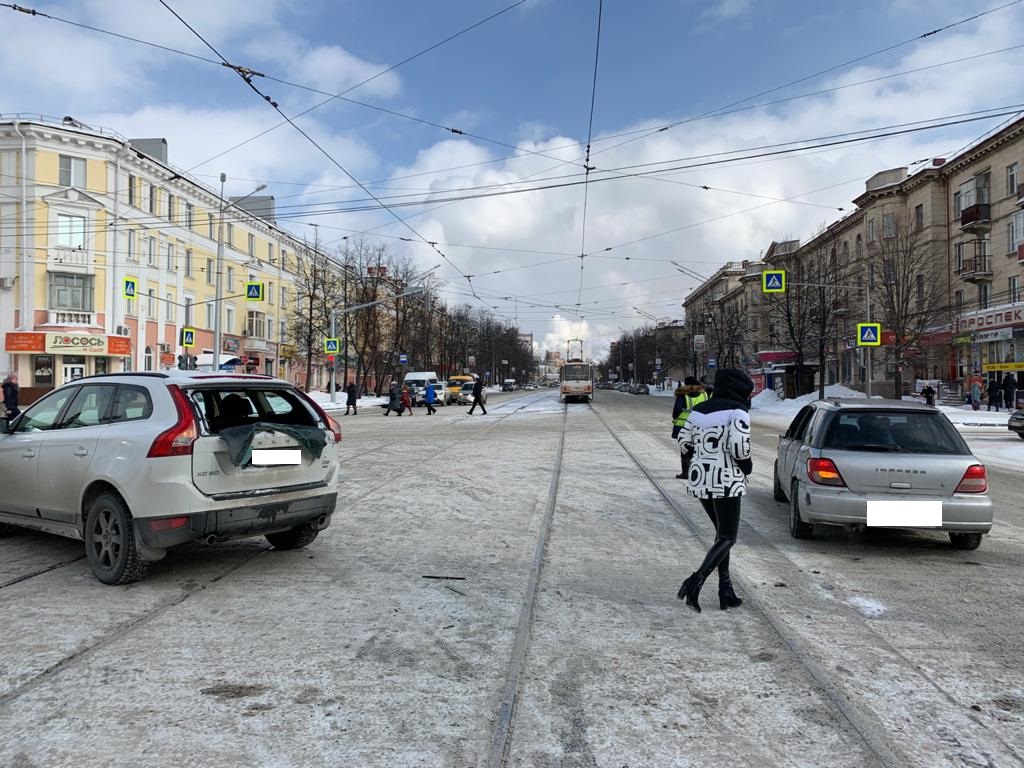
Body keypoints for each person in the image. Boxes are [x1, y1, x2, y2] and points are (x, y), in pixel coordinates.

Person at [676, 368, 754, 613]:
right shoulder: (737, 412)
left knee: (721, 536)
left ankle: (726, 590)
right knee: (728, 537)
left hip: (701, 480)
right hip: (727, 479)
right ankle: (695, 582)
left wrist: (700, 457)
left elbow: (683, 442)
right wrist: (747, 467)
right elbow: (739, 448)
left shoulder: (699, 410)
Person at [671, 376, 709, 479]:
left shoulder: (683, 395)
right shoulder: (704, 394)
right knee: (699, 449)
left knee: (684, 449)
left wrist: (675, 418)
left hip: (684, 425)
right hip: (701, 425)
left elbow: (677, 410)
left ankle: (686, 473)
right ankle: (700, 471)